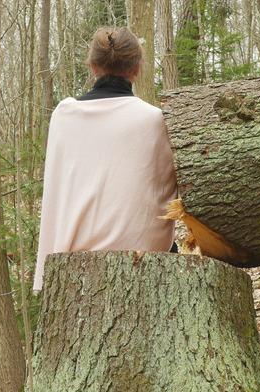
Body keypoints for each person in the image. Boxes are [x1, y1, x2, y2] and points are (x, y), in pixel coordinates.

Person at [32, 27, 178, 291]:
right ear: (137, 68)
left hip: (75, 265)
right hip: (148, 264)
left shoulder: (64, 115)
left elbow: (57, 195)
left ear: (92, 66)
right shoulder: (158, 120)